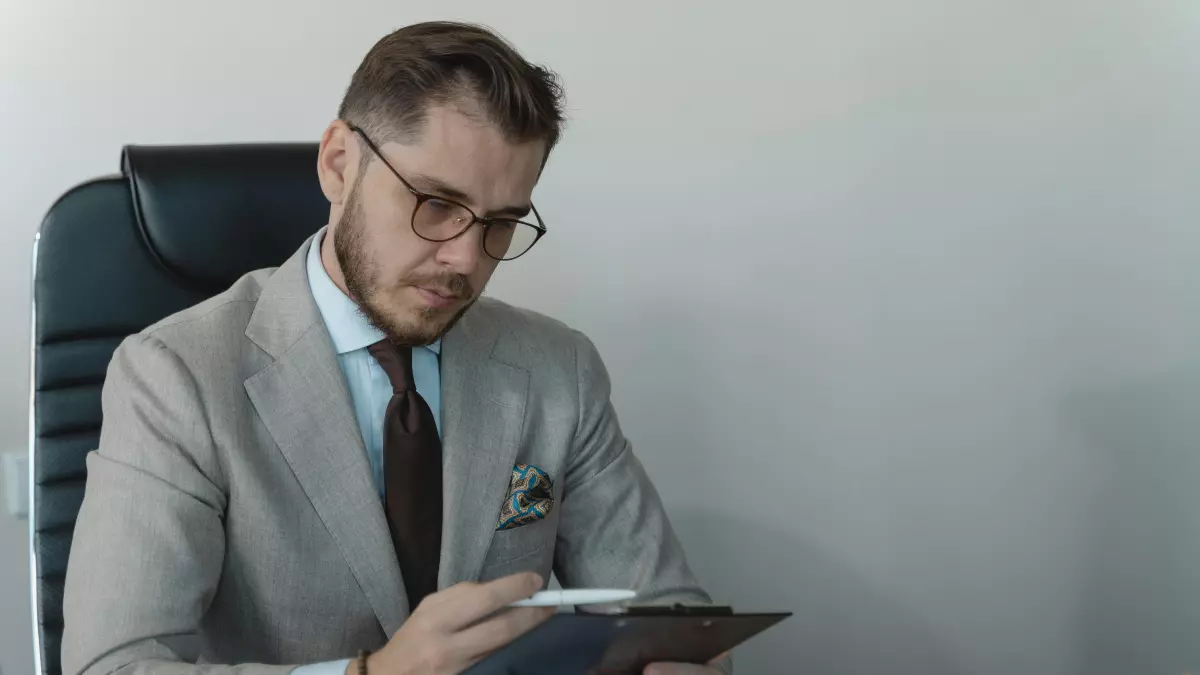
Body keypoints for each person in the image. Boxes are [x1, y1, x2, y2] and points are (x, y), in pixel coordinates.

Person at [61, 20, 728, 675]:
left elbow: (668, 610)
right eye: (436, 203)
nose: (466, 259)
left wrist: (684, 657)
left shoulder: (560, 370)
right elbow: (113, 663)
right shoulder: (176, 376)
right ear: (339, 164)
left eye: (500, 223)